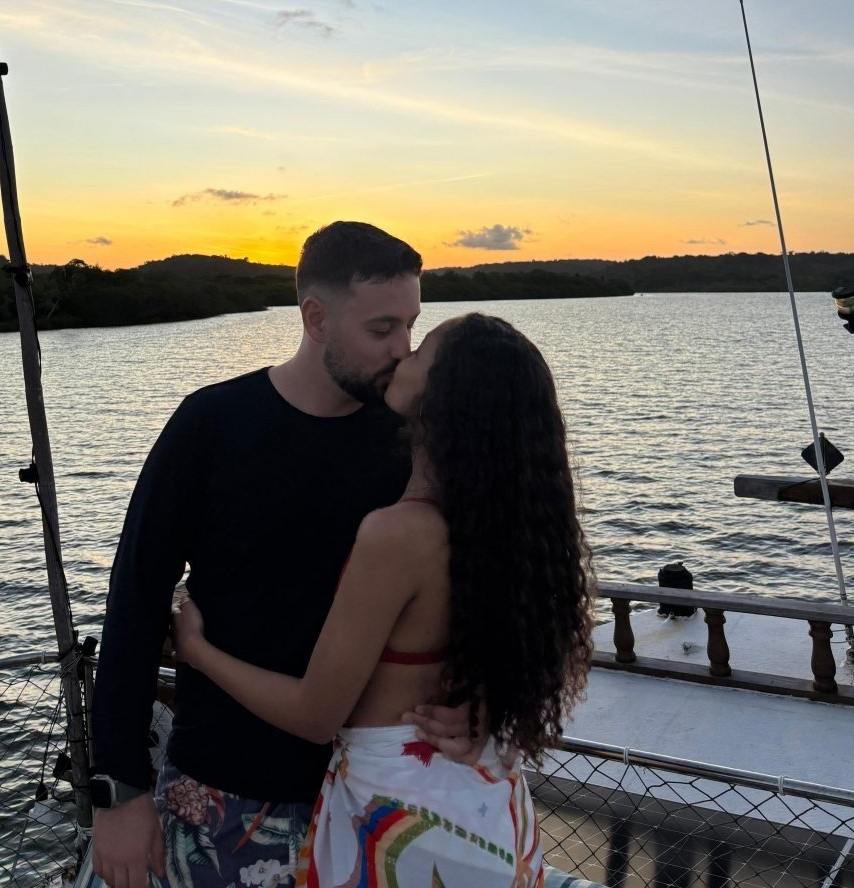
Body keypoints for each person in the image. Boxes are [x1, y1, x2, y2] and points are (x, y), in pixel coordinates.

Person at [91, 222, 475, 888]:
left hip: (378, 800)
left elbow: (480, 580)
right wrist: (119, 792)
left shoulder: (413, 445)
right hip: (222, 795)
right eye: (382, 329)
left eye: (412, 326)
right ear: (316, 318)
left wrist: (482, 699)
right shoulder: (211, 426)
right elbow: (135, 600)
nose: (403, 349)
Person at [172, 313, 594, 887]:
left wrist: (198, 651)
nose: (402, 354)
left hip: (400, 819)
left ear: (443, 397)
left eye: (420, 351)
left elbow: (315, 715)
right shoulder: (496, 524)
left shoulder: (397, 536)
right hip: (485, 806)